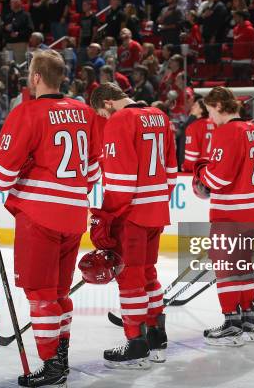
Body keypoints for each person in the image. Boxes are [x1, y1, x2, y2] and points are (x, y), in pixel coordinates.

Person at [0, 50, 102, 387]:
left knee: (41, 296)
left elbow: (3, 176)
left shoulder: (27, 112)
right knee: (58, 294)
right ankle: (61, 359)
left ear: (36, 77)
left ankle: (52, 367)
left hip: (39, 217)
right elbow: (95, 170)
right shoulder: (85, 112)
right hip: (73, 215)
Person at [89, 82, 177, 368]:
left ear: (108, 103)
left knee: (130, 280)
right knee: (149, 274)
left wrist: (106, 216)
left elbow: (122, 183)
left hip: (132, 215)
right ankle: (156, 336)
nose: (104, 120)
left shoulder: (119, 120)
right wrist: (159, 200)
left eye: (101, 114)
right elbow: (172, 170)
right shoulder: (160, 116)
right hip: (157, 210)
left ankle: (135, 343)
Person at [193, 87, 254, 346]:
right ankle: (248, 318)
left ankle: (231, 323)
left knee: (225, 267)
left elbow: (219, 178)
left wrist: (201, 173)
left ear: (218, 105)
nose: (210, 117)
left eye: (210, 110)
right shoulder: (253, 130)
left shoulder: (227, 131)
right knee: (243, 264)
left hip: (233, 212)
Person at [182, 98, 213, 172]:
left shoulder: (193, 127)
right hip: (216, 167)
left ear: (201, 110)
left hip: (201, 170)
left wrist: (186, 167)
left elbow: (191, 156)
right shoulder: (217, 124)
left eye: (195, 106)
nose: (192, 107)